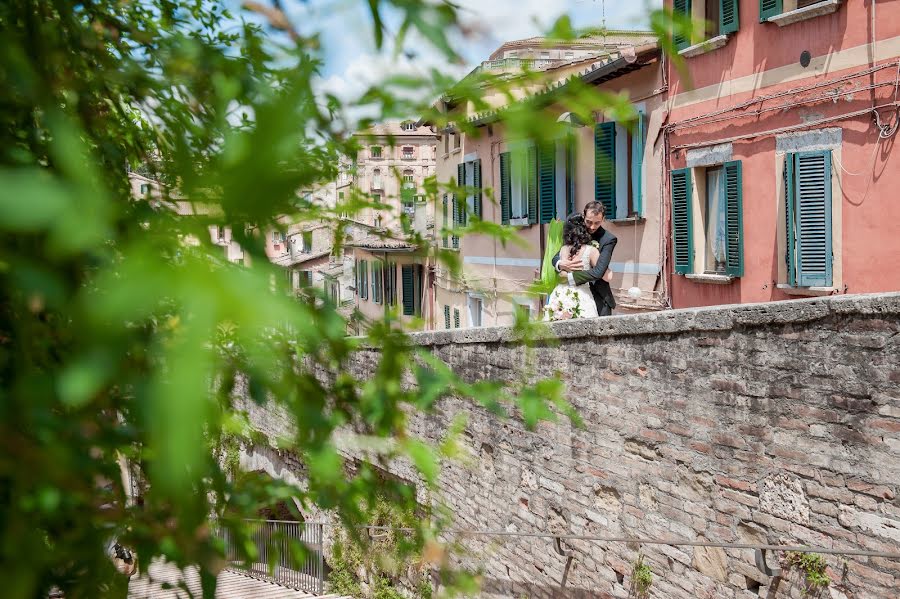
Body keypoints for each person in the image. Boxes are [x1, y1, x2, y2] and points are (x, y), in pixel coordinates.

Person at [552, 201, 617, 316]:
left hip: (598, 295)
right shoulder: (575, 229)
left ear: (603, 219)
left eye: (597, 223)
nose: (592, 227)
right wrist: (560, 264)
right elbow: (557, 256)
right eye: (589, 222)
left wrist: (568, 277)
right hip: (571, 295)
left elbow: (598, 272)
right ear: (584, 216)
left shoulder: (608, 239)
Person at [544, 216, 601, 320]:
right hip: (582, 294)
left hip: (560, 292)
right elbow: (600, 271)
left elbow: (562, 275)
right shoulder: (592, 251)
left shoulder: (564, 249)